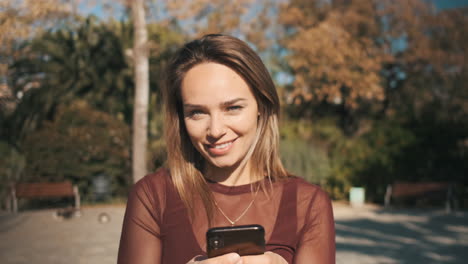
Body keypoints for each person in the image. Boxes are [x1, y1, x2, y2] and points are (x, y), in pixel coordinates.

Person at [117, 34, 335, 264]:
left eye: (232, 108)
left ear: (262, 105)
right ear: (181, 117)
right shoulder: (153, 196)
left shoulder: (308, 203)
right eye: (197, 112)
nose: (215, 130)